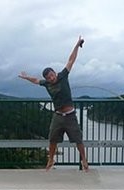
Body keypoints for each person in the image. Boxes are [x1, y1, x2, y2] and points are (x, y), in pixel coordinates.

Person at [19, 36, 89, 171]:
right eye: (48, 77)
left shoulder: (63, 75)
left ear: (54, 73)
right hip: (57, 115)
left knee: (78, 139)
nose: (51, 78)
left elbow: (71, 60)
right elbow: (35, 80)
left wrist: (76, 45)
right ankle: (51, 159)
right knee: (52, 139)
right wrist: (25, 77)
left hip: (70, 115)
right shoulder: (46, 84)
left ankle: (84, 159)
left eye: (52, 75)